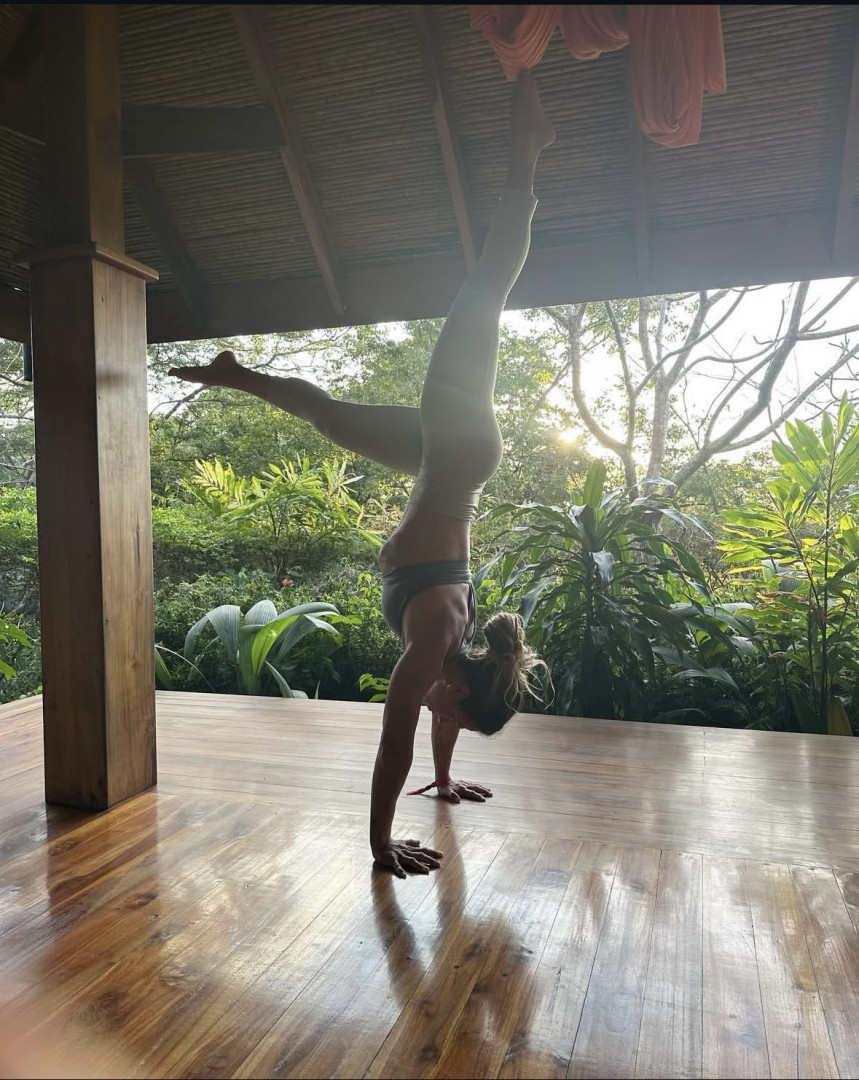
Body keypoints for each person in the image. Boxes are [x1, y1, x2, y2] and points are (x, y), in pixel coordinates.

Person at [169, 70, 554, 878]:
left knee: (333, 418)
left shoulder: (450, 662)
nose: (442, 716)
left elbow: (432, 725)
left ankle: (236, 375)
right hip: (456, 452)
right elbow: (392, 742)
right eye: (456, 717)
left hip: (442, 458)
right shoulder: (435, 643)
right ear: (459, 689)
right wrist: (380, 846)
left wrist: (442, 782)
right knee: (483, 292)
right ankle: (527, 155)